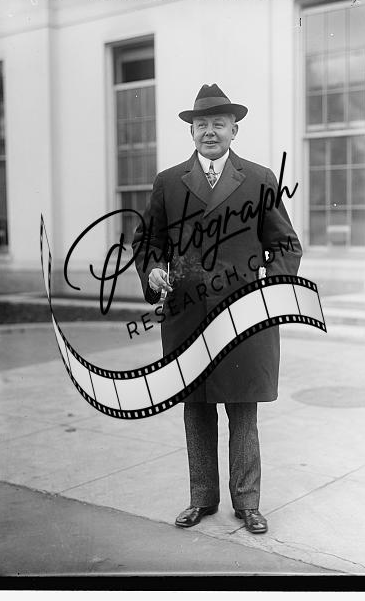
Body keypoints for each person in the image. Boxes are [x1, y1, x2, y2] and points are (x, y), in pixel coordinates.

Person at [132, 84, 302, 534]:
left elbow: (286, 245)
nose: (210, 132)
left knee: (242, 408)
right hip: (188, 316)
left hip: (243, 316)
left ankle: (247, 503)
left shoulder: (260, 179)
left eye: (219, 124)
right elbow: (148, 242)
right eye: (201, 124)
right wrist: (153, 270)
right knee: (196, 407)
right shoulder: (169, 182)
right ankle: (202, 499)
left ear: (234, 130)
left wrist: (270, 291)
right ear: (192, 131)